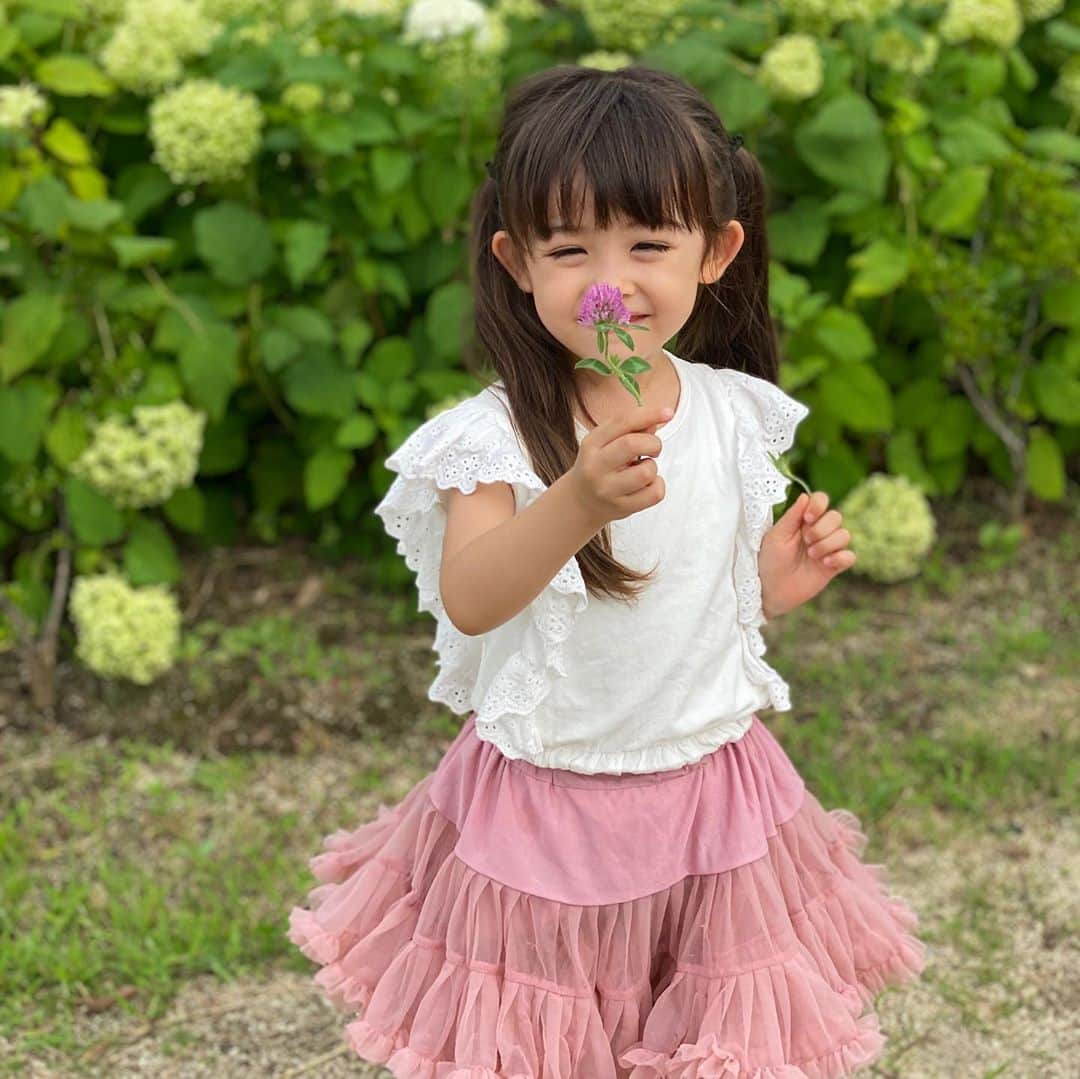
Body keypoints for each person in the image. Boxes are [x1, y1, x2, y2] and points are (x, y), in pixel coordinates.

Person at [288, 63, 927, 1077]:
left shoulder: (729, 410)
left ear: (716, 251)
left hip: (710, 786)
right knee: (550, 1028)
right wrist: (575, 500)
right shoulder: (493, 436)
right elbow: (476, 592)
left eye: (648, 244)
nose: (611, 279)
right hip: (552, 798)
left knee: (699, 1012)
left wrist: (769, 580)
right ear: (516, 261)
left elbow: (690, 595)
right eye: (571, 248)